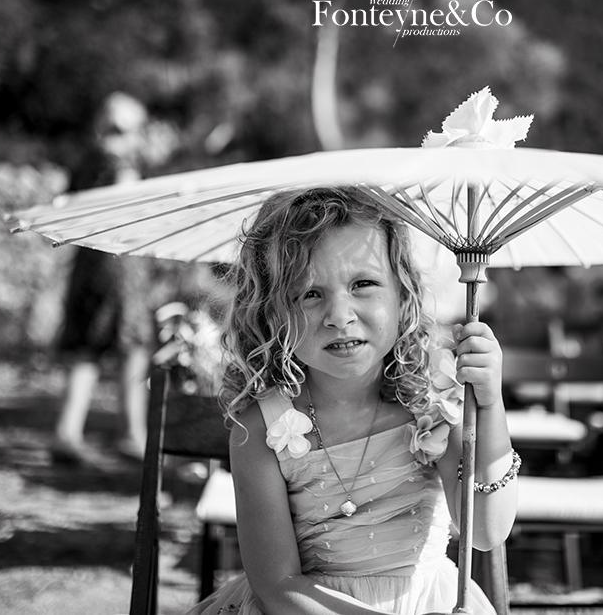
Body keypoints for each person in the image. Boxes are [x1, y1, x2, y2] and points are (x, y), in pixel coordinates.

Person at [187, 187, 518, 615]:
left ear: (403, 295)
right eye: (310, 293)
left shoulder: (434, 401)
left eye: (363, 284)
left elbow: (487, 530)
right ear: (273, 311)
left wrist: (489, 406)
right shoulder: (261, 428)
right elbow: (277, 585)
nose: (340, 316)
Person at [51, 92, 156, 465]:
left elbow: (65, 206)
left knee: (87, 349)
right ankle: (132, 434)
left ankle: (67, 433)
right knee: (132, 348)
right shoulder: (122, 163)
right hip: (120, 266)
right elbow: (125, 209)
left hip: (88, 264)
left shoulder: (85, 162)